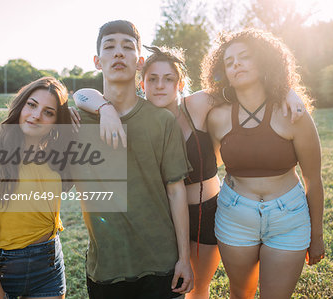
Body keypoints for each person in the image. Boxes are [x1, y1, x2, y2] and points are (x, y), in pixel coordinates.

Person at [71, 42, 306, 297]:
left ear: (180, 84)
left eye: (169, 79)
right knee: (174, 288)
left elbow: (244, 88)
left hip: (206, 212)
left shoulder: (197, 105)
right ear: (142, 84)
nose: (160, 85)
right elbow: (82, 95)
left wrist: (287, 92)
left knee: (198, 286)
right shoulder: (133, 115)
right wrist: (102, 107)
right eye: (152, 79)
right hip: (163, 217)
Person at [71, 20, 193, 299]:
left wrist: (184, 258)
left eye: (127, 47)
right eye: (109, 46)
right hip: (106, 267)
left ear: (139, 62)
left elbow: (176, 192)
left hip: (161, 265)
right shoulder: (76, 121)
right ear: (97, 61)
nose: (118, 53)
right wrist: (103, 108)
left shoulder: (162, 120)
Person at [203, 29, 325, 298]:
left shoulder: (293, 113)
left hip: (288, 218)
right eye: (229, 61)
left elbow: (313, 179)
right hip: (235, 216)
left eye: (245, 57)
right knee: (240, 294)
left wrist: (317, 236)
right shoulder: (217, 117)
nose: (236, 64)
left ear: (264, 62)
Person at [0, 77, 73, 299]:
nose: (36, 115)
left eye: (49, 112)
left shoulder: (56, 157)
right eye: (32, 104)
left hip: (49, 266)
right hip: (0, 269)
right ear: (21, 105)